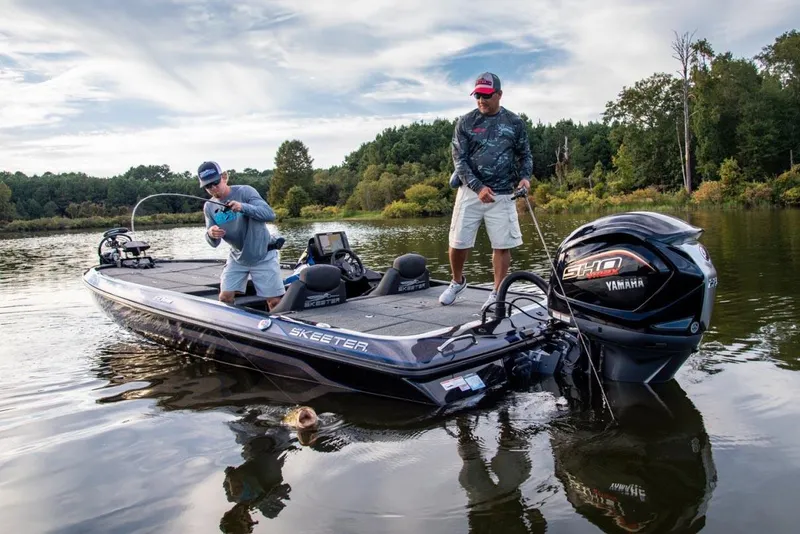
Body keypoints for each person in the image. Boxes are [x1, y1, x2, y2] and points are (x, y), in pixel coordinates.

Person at [440, 72, 533, 311]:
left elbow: (525, 154)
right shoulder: (465, 122)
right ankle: (457, 281)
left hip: (503, 194)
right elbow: (459, 160)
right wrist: (478, 187)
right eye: (478, 95)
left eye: (486, 95)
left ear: (499, 95)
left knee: (502, 245)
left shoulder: (514, 122)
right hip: (471, 191)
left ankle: (497, 292)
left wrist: (525, 177)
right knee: (458, 242)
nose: (481, 100)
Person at [199, 161, 285, 310]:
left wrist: (243, 207)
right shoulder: (209, 206)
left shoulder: (245, 192)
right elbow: (213, 243)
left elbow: (270, 214)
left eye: (215, 183)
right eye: (208, 186)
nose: (213, 188)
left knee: (275, 301)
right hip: (237, 258)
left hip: (263, 254)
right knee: (225, 297)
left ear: (224, 177)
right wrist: (211, 234)